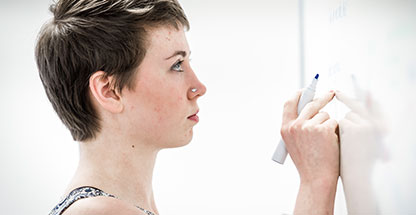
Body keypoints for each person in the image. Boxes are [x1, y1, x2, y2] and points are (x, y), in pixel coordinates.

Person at [35, 0, 340, 214]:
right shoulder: (99, 213)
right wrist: (316, 183)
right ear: (110, 91)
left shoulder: (116, 206)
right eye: (176, 65)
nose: (199, 87)